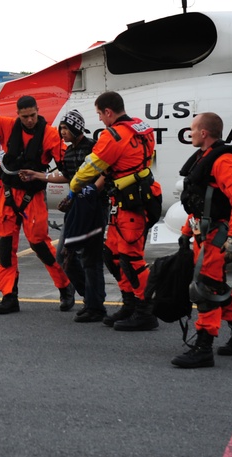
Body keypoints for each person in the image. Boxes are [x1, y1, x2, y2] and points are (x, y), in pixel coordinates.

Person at [0, 87, 75, 314]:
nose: (29, 120)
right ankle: (9, 296)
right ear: (18, 114)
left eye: (32, 115)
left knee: (40, 245)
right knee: (4, 246)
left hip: (33, 197)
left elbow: (67, 166)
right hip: (8, 194)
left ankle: (65, 286)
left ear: (38, 112)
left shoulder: (50, 134)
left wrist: (69, 186)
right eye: (24, 116)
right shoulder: (7, 126)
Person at [70, 91, 162, 331]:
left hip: (131, 204)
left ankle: (145, 310)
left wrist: (74, 187)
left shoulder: (112, 136)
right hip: (131, 199)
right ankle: (130, 303)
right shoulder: (142, 129)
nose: (100, 119)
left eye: (100, 114)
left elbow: (89, 169)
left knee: (132, 259)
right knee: (111, 255)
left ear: (108, 112)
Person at [171, 112, 232, 368]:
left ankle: (203, 347)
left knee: (205, 288)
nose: (191, 133)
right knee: (216, 285)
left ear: (204, 133)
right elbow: (200, 202)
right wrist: (187, 232)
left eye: (193, 129)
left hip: (216, 234)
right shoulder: (204, 159)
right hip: (203, 232)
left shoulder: (223, 162)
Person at [21, 109, 109, 322]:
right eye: (61, 128)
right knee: (63, 256)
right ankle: (89, 299)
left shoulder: (93, 147)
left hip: (94, 207)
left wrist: (93, 189)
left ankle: (95, 306)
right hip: (77, 208)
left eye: (65, 128)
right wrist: (38, 176)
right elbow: (67, 176)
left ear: (76, 128)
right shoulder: (68, 153)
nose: (62, 132)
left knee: (90, 257)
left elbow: (107, 170)